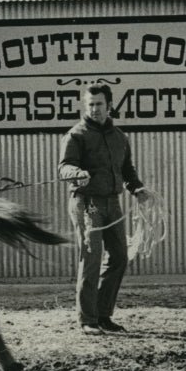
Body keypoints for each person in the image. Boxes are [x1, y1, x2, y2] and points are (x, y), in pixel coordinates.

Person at [58, 84, 152, 335]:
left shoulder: (120, 137)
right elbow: (64, 167)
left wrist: (138, 190)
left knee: (120, 257)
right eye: (90, 104)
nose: (94, 109)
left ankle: (103, 315)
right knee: (91, 258)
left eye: (99, 104)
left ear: (109, 106)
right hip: (86, 203)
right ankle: (87, 320)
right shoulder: (75, 135)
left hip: (112, 203)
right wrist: (77, 173)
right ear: (84, 106)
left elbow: (128, 172)